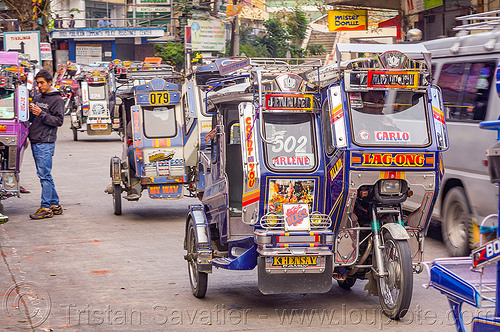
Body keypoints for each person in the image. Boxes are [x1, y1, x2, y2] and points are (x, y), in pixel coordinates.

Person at [28, 70, 64, 219]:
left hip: (45, 142)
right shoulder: (37, 98)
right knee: (44, 174)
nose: (39, 85)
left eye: (42, 83)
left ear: (50, 82)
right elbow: (32, 118)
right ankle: (55, 204)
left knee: (44, 175)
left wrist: (41, 113)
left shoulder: (57, 100)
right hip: (35, 140)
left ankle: (46, 207)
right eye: (38, 83)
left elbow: (58, 121)